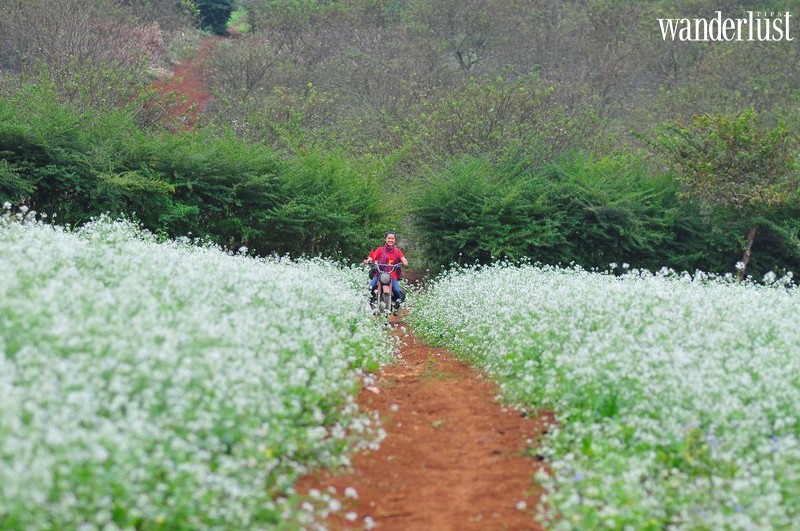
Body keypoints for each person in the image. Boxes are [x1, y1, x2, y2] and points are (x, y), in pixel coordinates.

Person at [363, 231, 409, 308]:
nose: (390, 240)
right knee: (370, 288)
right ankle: (370, 304)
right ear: (385, 239)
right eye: (389, 238)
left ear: (395, 240)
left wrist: (405, 262)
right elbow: (373, 257)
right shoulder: (380, 250)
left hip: (392, 276)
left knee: (397, 291)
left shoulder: (398, 251)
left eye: (392, 238)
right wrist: (368, 260)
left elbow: (403, 259)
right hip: (379, 274)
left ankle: (397, 305)